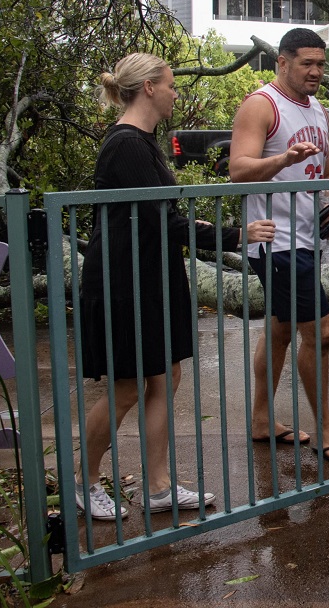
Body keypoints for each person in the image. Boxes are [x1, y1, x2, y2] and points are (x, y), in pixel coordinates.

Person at [77, 52, 276, 520]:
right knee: (127, 386)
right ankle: (82, 482)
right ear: (148, 87)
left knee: (167, 376)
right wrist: (235, 235)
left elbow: (159, 216)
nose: (174, 92)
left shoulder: (144, 142)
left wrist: (190, 223)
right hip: (123, 281)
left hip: (152, 274)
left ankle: (158, 486)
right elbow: (162, 221)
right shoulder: (126, 144)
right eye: (170, 85)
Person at [229, 27, 329, 462]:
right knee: (322, 330)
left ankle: (262, 419)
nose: (316, 71)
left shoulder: (318, 111)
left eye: (321, 64)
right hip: (273, 242)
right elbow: (238, 170)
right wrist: (283, 160)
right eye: (306, 63)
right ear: (282, 62)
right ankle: (326, 427)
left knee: (280, 329)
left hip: (307, 239)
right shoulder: (263, 106)